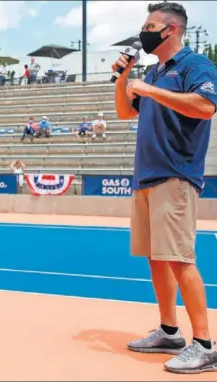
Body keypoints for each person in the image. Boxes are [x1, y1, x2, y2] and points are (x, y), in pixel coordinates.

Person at [113, 2, 217, 374]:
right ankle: (169, 330)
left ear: (171, 30)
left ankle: (205, 344)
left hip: (175, 174)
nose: (145, 31)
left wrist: (152, 91)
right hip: (147, 175)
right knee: (156, 256)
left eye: (150, 25)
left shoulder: (195, 65)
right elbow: (126, 113)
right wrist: (125, 79)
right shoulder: (154, 72)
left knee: (179, 258)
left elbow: (205, 106)